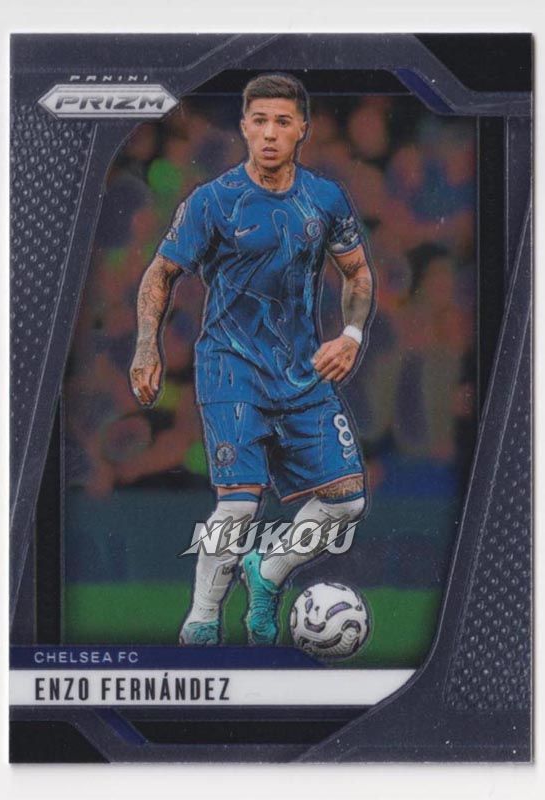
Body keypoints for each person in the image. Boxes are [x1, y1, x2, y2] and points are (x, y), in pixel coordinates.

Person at [129, 73, 375, 646]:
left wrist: (352, 334)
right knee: (238, 507)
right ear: (244, 127)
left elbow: (357, 271)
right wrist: (146, 343)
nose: (269, 133)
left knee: (348, 503)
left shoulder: (326, 199)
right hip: (231, 367)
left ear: (302, 130)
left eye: (282, 122)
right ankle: (202, 620)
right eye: (259, 120)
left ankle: (268, 571)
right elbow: (161, 272)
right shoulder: (213, 201)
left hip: (301, 371)